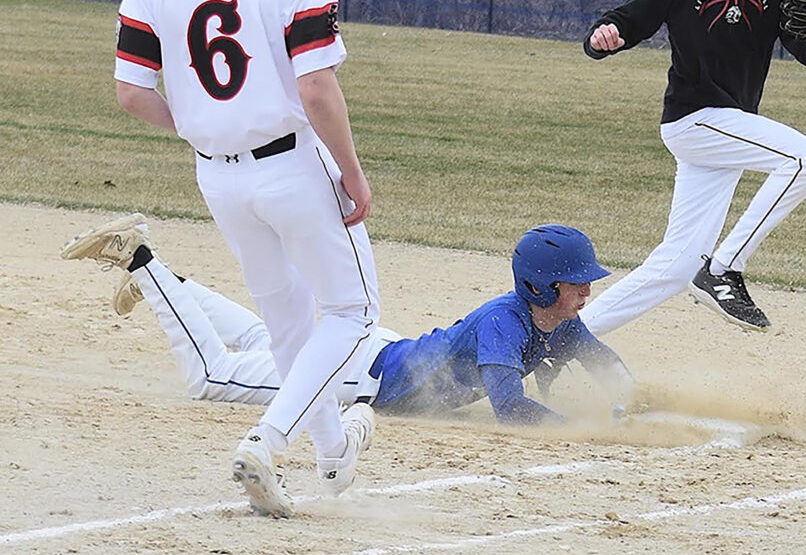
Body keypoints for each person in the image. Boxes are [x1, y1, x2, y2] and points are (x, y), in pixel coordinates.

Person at [111, 0, 380, 518]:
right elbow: (316, 89)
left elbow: (131, 93)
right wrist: (351, 171)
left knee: (287, 317)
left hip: (217, 174)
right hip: (290, 164)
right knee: (352, 312)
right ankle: (269, 438)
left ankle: (331, 452)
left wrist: (201, 130)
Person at [581, 0, 806, 336]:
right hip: (694, 116)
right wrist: (609, 32)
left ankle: (564, 337)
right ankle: (723, 270)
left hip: (729, 128)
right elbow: (634, 15)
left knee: (674, 266)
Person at [61, 217, 633, 428]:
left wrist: (632, 399)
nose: (587, 289)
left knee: (266, 337)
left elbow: (602, 363)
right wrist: (586, 429)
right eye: (576, 280)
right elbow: (510, 408)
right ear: (539, 285)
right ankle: (143, 260)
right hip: (357, 379)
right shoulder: (506, 324)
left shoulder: (558, 318)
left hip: (373, 352)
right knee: (212, 376)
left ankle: (166, 287)